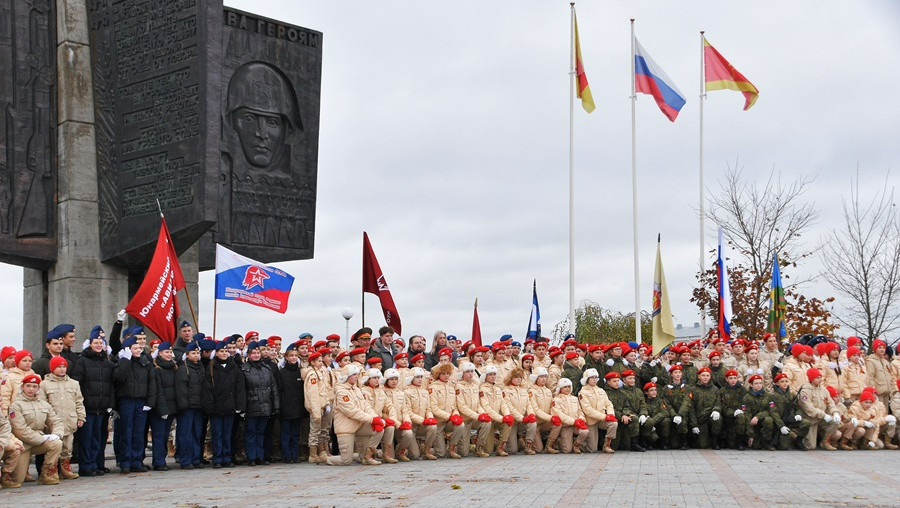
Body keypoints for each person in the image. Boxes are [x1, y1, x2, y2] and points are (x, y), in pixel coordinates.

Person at [69, 333, 114, 477]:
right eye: (96, 342)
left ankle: (97, 463)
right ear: (90, 344)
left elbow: (111, 385)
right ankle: (86, 465)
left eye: (101, 343)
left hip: (102, 408)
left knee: (98, 438)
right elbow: (77, 384)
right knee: (86, 438)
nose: (99, 345)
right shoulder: (82, 361)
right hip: (88, 407)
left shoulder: (106, 363)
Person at [113, 336, 157, 474]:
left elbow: (152, 383)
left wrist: (150, 401)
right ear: (128, 350)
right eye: (135, 348)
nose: (139, 350)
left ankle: (137, 461)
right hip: (126, 401)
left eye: (139, 348)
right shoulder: (121, 362)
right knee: (126, 431)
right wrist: (125, 360)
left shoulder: (145, 362)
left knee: (138, 433)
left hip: (141, 401)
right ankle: (125, 461)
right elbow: (118, 377)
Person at [9, 374, 63, 485]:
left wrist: (57, 434)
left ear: (38, 389)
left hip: (39, 441)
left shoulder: (44, 404)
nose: (31, 389)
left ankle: (47, 474)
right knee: (17, 481)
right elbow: (20, 429)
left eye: (34, 386)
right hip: (23, 444)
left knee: (57, 443)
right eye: (28, 386)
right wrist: (41, 438)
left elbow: (56, 421)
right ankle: (8, 475)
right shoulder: (15, 405)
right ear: (22, 387)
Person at [326, 365, 384, 466]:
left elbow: (366, 406)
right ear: (346, 376)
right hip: (346, 427)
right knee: (345, 461)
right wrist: (371, 419)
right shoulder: (341, 392)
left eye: (357, 374)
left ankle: (367, 456)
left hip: (359, 425)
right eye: (353, 374)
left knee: (379, 428)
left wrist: (376, 418)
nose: (356, 377)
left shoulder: (357, 389)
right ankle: (326, 458)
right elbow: (352, 411)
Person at [37, 356, 85, 479]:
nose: (62, 369)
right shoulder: (44, 384)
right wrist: (45, 421)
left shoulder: (74, 383)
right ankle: (52, 469)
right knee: (55, 446)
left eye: (64, 367)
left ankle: (65, 468)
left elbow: (79, 401)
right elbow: (42, 404)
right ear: (52, 368)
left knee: (68, 447)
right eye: (59, 367)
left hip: (70, 420)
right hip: (54, 422)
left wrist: (81, 416)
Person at [241, 341, 280, 466]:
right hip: (251, 405)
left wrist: (276, 405)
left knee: (261, 431)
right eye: (254, 353)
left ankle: (260, 456)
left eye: (258, 353)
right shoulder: (244, 369)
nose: (257, 355)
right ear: (249, 355)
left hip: (265, 404)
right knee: (251, 432)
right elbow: (242, 390)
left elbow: (273, 387)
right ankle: (252, 456)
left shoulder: (266, 368)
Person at [359, 368, 397, 463]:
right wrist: (376, 419)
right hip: (367, 421)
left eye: (378, 377)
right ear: (368, 379)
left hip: (379, 421)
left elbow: (390, 407)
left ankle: (386, 454)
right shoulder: (363, 391)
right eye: (374, 378)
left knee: (391, 427)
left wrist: (392, 419)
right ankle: (368, 456)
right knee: (379, 429)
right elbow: (366, 408)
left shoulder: (381, 391)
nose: (377, 380)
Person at [797, 368, 840, 450]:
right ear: (811, 379)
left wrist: (835, 412)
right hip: (810, 420)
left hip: (821, 418)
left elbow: (830, 403)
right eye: (817, 378)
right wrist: (823, 415)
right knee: (810, 446)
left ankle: (825, 441)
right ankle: (796, 435)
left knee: (835, 421)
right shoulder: (805, 391)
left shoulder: (823, 390)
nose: (820, 379)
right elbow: (809, 408)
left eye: (820, 377)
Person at [429, 363, 465, 458]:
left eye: (448, 373)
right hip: (438, 423)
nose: (446, 376)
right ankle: (426, 448)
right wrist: (449, 416)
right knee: (441, 454)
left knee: (460, 425)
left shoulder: (451, 388)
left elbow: (454, 406)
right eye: (443, 373)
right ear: (438, 375)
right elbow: (434, 408)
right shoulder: (433, 387)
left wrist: (456, 415)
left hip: (449, 421)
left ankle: (452, 448)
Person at [276, 344, 305, 463]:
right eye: (291, 356)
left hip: (297, 408)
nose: (293, 358)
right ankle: (286, 456)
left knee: (295, 434)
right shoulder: (281, 373)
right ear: (286, 357)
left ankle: (295, 455)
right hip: (286, 408)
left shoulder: (301, 372)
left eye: (295, 356)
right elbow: (278, 391)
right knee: (286, 434)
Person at [454, 363, 490, 458]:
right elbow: (462, 406)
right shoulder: (458, 386)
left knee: (487, 423)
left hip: (474, 419)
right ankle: (456, 446)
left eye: (472, 372)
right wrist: (478, 416)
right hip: (464, 420)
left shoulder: (475, 386)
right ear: (462, 374)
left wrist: (483, 414)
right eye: (467, 372)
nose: (470, 374)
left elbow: (478, 404)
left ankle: (479, 448)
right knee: (464, 453)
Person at [577, 368, 617, 454]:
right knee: (592, 449)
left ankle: (607, 445)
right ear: (587, 379)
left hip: (602, 419)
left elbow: (608, 404)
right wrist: (605, 416)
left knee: (613, 423)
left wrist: (611, 414)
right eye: (592, 377)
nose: (595, 379)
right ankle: (577, 442)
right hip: (591, 421)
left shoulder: (601, 390)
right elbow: (588, 410)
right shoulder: (582, 392)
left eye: (596, 377)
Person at [303, 351, 333, 464]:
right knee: (315, 431)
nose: (321, 363)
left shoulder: (322, 372)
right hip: (317, 407)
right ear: (312, 362)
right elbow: (313, 395)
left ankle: (323, 451)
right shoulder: (312, 375)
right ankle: (313, 454)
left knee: (323, 430)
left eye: (321, 360)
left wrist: (327, 403)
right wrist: (316, 411)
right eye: (319, 361)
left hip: (324, 405)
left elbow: (326, 390)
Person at [381, 368, 415, 461]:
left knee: (408, 433)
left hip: (400, 423)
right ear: (386, 380)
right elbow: (382, 412)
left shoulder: (400, 393)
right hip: (388, 423)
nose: (394, 381)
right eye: (391, 379)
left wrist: (407, 421)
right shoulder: (382, 392)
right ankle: (384, 453)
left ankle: (400, 452)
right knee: (390, 456)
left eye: (396, 379)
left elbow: (405, 410)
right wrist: (395, 422)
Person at [404, 367, 438, 460]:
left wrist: (430, 418)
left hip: (423, 425)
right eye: (417, 377)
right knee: (415, 455)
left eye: (421, 377)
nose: (420, 379)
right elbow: (408, 412)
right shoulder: (406, 392)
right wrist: (423, 420)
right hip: (412, 426)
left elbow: (428, 409)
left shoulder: (425, 392)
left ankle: (427, 450)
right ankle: (402, 449)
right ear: (411, 378)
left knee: (433, 426)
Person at [502, 367, 537, 455]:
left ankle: (528, 445)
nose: (518, 379)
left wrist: (531, 414)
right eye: (516, 377)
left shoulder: (524, 390)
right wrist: (522, 418)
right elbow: (509, 407)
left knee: (533, 423)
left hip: (522, 421)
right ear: (511, 378)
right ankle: (507, 443)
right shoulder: (506, 390)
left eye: (520, 377)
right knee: (513, 450)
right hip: (513, 421)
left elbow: (528, 404)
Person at [478, 365, 511, 457]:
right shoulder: (482, 389)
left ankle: (500, 447)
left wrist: (507, 415)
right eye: (490, 375)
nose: (493, 376)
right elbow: (486, 407)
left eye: (494, 374)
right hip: (488, 420)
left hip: (496, 419)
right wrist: (501, 418)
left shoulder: (498, 389)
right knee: (488, 450)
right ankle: (474, 446)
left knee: (508, 423)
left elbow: (503, 404)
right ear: (485, 376)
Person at [687, 367, 722, 449]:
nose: (705, 377)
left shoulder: (715, 389)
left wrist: (716, 410)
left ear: (710, 376)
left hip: (710, 415)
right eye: (703, 375)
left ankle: (715, 441)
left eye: (707, 375)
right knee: (703, 445)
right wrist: (694, 424)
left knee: (718, 419)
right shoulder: (693, 389)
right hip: (699, 419)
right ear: (699, 376)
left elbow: (718, 402)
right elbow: (690, 408)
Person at [1, 350, 36, 415]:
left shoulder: (36, 377)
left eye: (30, 361)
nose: (28, 363)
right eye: (24, 361)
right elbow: (5, 398)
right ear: (17, 362)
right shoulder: (9, 377)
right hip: (17, 413)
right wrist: (6, 415)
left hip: (34, 413)